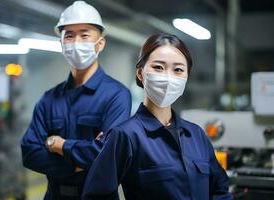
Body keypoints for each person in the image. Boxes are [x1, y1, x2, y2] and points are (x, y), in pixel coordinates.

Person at [82, 33, 233, 200]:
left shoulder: (196, 135)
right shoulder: (126, 136)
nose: (168, 77)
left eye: (178, 70)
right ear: (140, 73)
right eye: (158, 67)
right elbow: (96, 195)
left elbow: (220, 189)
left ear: (186, 77)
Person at [21, 1, 131, 199]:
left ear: (101, 43)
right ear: (61, 43)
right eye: (69, 36)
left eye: (85, 34)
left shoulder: (117, 95)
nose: (76, 42)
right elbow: (29, 153)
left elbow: (108, 156)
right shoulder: (49, 99)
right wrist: (77, 164)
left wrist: (58, 145)